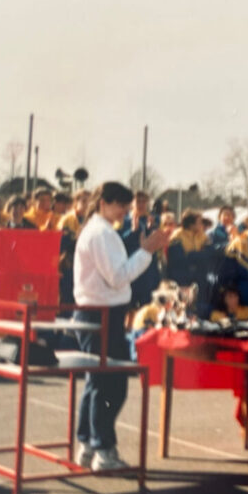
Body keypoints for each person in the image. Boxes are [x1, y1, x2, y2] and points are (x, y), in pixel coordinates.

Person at [72, 181, 169, 471]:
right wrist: (147, 252)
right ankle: (103, 450)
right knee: (111, 386)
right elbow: (118, 276)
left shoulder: (100, 231)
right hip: (100, 315)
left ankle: (89, 446)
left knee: (98, 384)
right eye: (121, 205)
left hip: (101, 314)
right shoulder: (101, 233)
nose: (125, 212)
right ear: (104, 203)